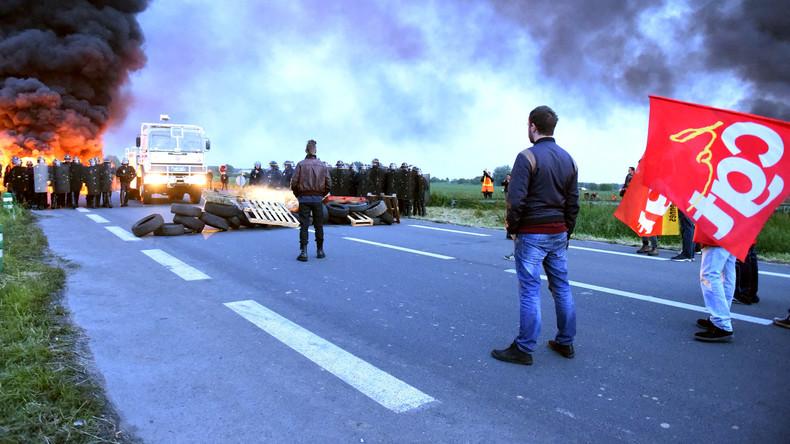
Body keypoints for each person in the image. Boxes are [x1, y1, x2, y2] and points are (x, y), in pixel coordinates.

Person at [491, 105, 579, 366]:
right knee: (561, 287)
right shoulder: (569, 159)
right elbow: (573, 202)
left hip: (531, 233)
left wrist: (513, 230)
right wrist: (567, 231)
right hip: (558, 232)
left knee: (530, 289)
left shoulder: (526, 157)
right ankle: (566, 342)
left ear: (532, 126)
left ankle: (524, 347)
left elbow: (515, 201)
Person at [693, 230, 736, 342]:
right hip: (733, 228)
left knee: (710, 275)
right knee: (727, 274)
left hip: (716, 229)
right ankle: (722, 316)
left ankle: (721, 322)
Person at [291, 139, 330, 262]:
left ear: (306, 150)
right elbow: (329, 183)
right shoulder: (322, 165)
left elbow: (294, 183)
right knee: (319, 225)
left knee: (304, 226)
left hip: (304, 198)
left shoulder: (301, 164)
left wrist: (299, 195)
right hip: (317, 198)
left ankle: (304, 252)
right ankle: (320, 250)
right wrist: (321, 195)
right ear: (315, 151)